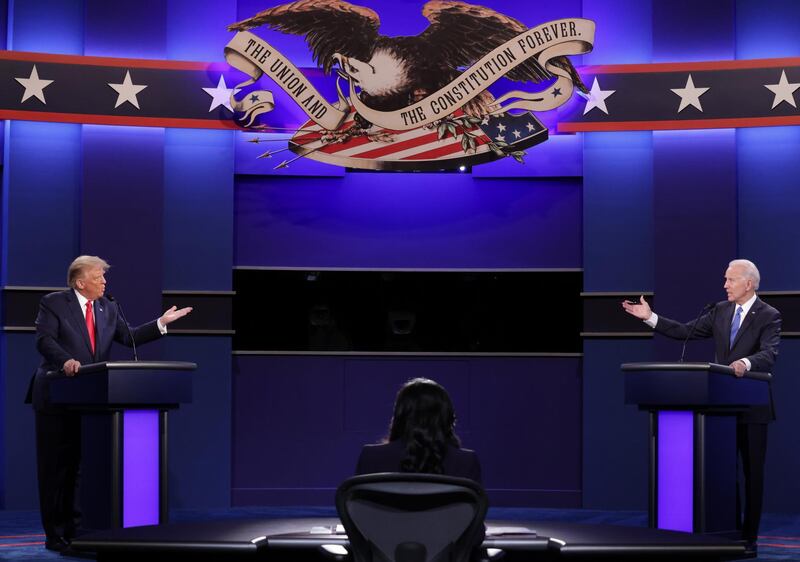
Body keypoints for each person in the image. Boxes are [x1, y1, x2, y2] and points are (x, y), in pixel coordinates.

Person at [24, 255, 193, 552]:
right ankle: (55, 533)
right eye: (99, 277)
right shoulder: (53, 303)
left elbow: (129, 338)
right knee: (56, 469)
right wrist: (65, 361)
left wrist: (161, 323)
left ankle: (76, 530)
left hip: (90, 399)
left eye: (104, 276)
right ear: (80, 282)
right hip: (55, 395)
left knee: (79, 469)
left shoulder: (108, 307)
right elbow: (44, 340)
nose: (104, 282)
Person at [622, 259, 780, 553]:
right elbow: (685, 331)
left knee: (752, 475)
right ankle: (727, 532)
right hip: (720, 408)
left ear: (749, 283)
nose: (725, 285)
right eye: (725, 279)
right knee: (723, 473)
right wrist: (650, 317)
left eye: (730, 280)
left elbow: (769, 354)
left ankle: (750, 538)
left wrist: (745, 363)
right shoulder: (719, 311)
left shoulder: (768, 315)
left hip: (753, 407)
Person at [355, 377, 481, 483]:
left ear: (399, 415)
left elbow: (359, 508)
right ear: (446, 417)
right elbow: (473, 511)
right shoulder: (466, 462)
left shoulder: (371, 457)